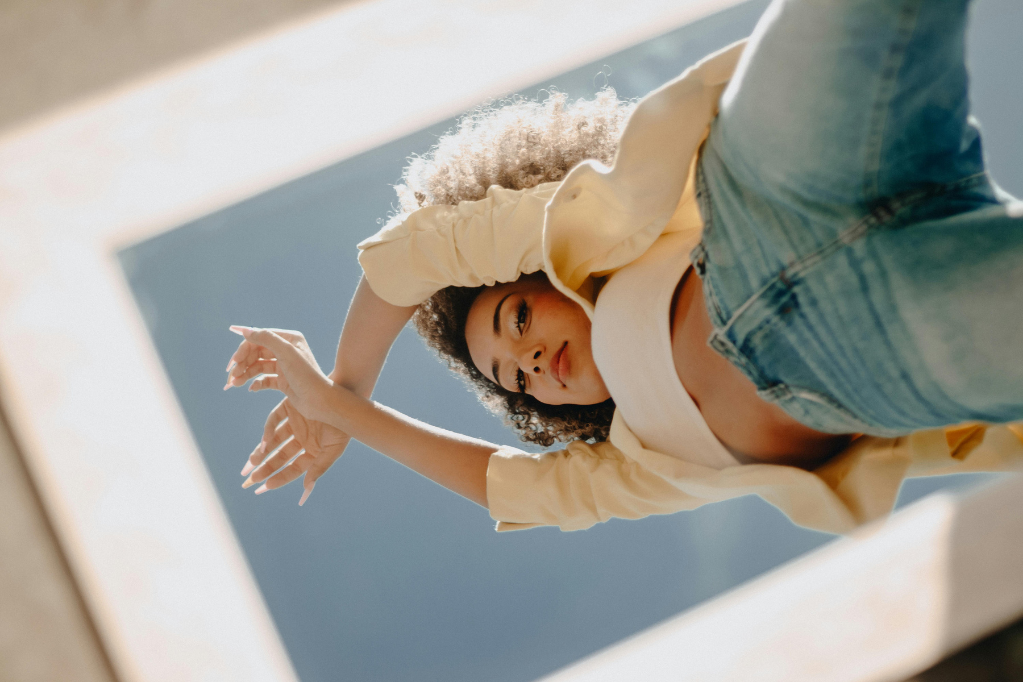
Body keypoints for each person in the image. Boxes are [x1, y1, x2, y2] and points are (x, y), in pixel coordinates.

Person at [224, 0, 1022, 533]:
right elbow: (509, 487)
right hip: (882, 357)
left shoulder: (579, 232)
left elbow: (412, 257)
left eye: (518, 320)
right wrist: (349, 423)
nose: (530, 361)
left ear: (546, 279)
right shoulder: (634, 467)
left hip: (770, 185)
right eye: (516, 380)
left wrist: (339, 386)